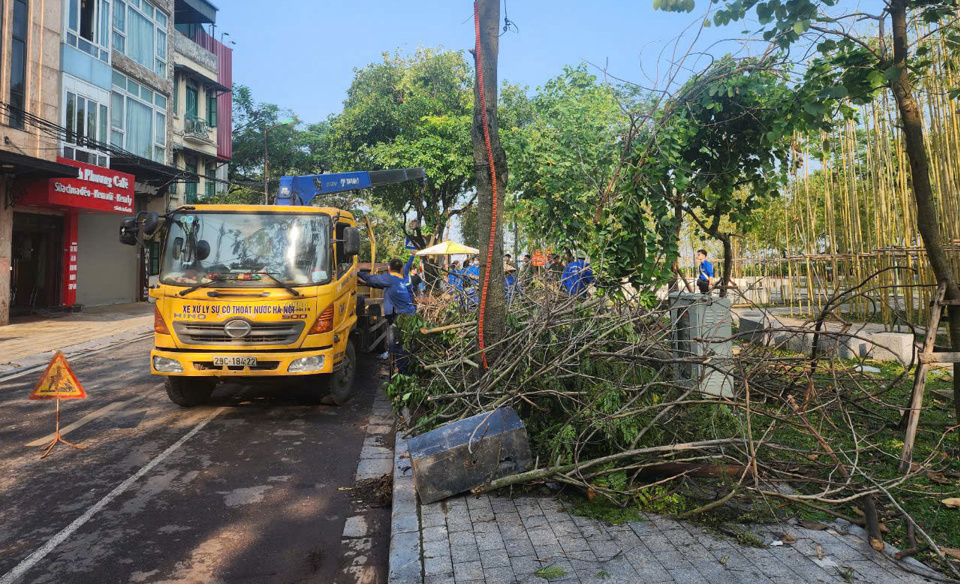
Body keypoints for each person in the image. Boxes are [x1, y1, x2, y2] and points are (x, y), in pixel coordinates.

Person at [358, 255, 417, 359]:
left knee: (395, 342)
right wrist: (365, 283)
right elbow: (378, 284)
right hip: (409, 313)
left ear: (389, 267)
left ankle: (398, 366)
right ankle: (400, 363)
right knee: (404, 342)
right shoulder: (400, 279)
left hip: (400, 316)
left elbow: (372, 278)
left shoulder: (390, 278)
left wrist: (357, 272)